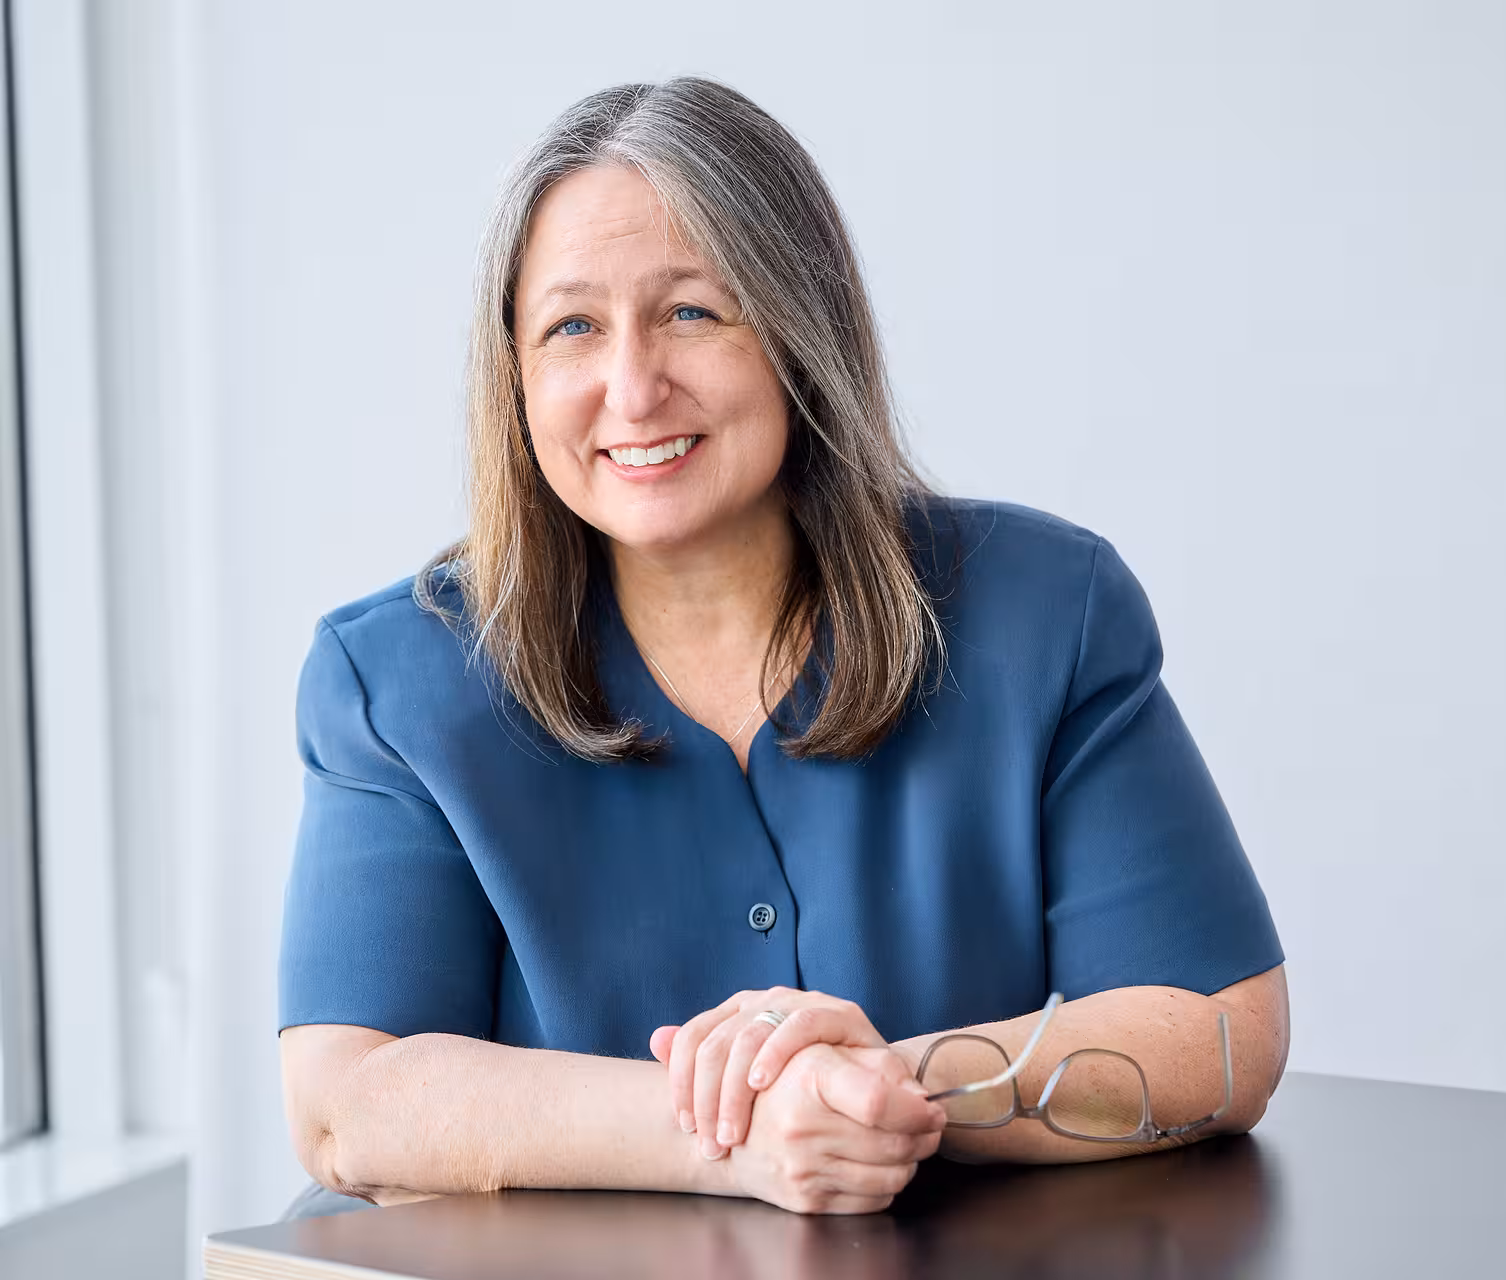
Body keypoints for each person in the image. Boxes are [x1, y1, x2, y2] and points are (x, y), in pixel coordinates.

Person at [278, 77, 1289, 1217]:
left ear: (800, 331)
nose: (632, 385)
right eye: (572, 328)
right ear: (514, 377)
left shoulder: (1047, 612)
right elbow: (345, 1102)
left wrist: (889, 1084)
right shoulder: (394, 680)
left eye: (692, 312)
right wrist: (730, 1131)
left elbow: (1218, 1025)